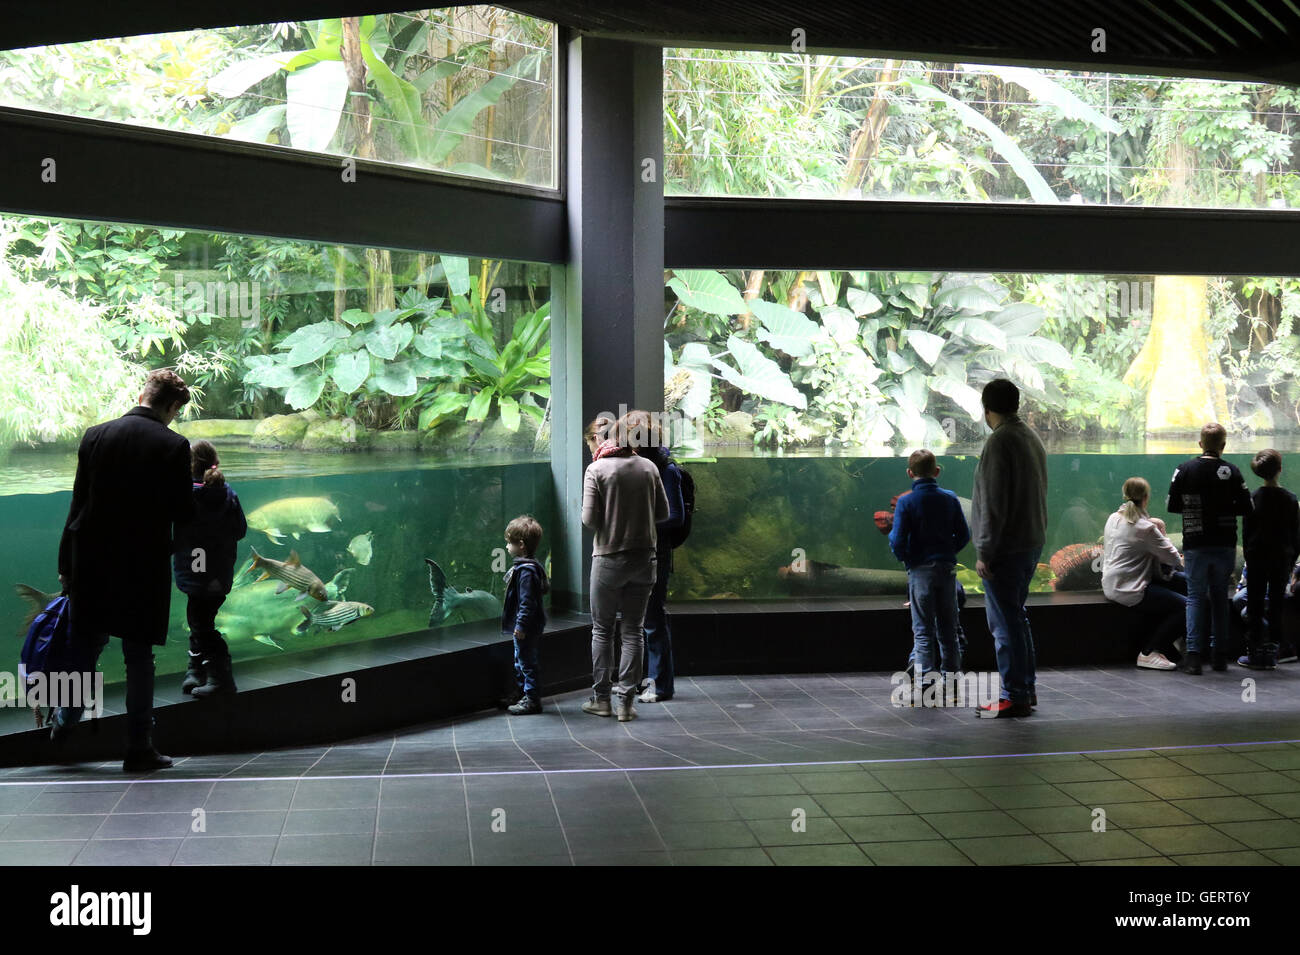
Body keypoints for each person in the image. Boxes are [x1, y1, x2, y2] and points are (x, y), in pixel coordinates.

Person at [53, 369, 195, 771]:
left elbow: (78, 504)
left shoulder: (95, 435)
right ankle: (138, 747)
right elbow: (182, 514)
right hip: (141, 562)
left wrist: (66, 562)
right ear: (171, 407)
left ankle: (65, 724)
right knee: (138, 655)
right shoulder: (173, 444)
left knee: (84, 646)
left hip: (91, 557)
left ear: (141, 393)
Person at [581, 411, 669, 722]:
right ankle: (627, 704)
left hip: (608, 559)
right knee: (633, 631)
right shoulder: (648, 468)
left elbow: (589, 520)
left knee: (602, 630)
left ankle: (601, 700)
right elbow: (662, 513)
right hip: (645, 559)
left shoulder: (597, 469)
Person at [969, 379, 1047, 719]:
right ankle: (1024, 690)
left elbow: (994, 502)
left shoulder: (999, 442)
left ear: (987, 409)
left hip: (1007, 547)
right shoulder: (1030, 436)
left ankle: (1013, 694)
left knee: (1004, 623)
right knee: (1016, 618)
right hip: (1030, 540)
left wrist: (985, 550)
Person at [1166, 423, 1251, 674]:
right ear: (1223, 446)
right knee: (1219, 598)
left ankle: (1193, 656)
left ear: (1200, 443)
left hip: (1195, 542)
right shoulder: (1232, 471)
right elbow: (1247, 507)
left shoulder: (1184, 470)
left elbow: (1172, 505)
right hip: (1225, 543)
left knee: (1194, 597)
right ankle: (1219, 655)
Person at [888, 449, 970, 684]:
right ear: (937, 471)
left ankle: (925, 684)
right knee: (949, 632)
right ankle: (953, 681)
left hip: (920, 572)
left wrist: (907, 558)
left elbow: (897, 539)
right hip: (946, 571)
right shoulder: (950, 498)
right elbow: (964, 534)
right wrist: (946, 553)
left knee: (923, 632)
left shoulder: (906, 502)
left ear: (909, 472)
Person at [173, 440, 247, 698]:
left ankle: (221, 678)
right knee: (200, 621)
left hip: (194, 574)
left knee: (201, 624)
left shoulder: (184, 495)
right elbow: (240, 531)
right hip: (220, 573)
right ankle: (196, 671)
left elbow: (176, 535)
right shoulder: (229, 494)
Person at [623, 410, 685, 704]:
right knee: (642, 618)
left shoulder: (666, 470)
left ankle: (662, 685)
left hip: (656, 553)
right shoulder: (642, 467)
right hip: (641, 550)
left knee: (653, 618)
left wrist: (640, 525)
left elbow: (675, 516)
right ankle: (646, 679)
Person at [1100, 477, 1185, 670]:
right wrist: (1160, 532)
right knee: (1185, 607)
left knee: (1180, 587)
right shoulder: (1145, 528)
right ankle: (1149, 652)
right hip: (1130, 589)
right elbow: (1172, 559)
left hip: (1113, 584)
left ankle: (1169, 648)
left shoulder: (1113, 518)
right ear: (1146, 498)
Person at [1239, 449, 1300, 670]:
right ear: (1280, 469)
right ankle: (1274, 652)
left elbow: (1246, 533)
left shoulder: (1252, 498)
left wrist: (1249, 556)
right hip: (1281, 560)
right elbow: (1295, 535)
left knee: (1254, 605)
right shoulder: (1291, 500)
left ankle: (1255, 653)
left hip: (1257, 559)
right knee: (1276, 604)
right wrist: (1291, 560)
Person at [501, 515, 550, 714]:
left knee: (527, 662)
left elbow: (527, 603)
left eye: (508, 543)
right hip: (525, 626)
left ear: (521, 545)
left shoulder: (526, 572)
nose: (506, 547)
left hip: (526, 627)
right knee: (520, 658)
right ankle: (522, 693)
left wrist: (521, 626)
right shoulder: (526, 566)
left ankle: (532, 699)